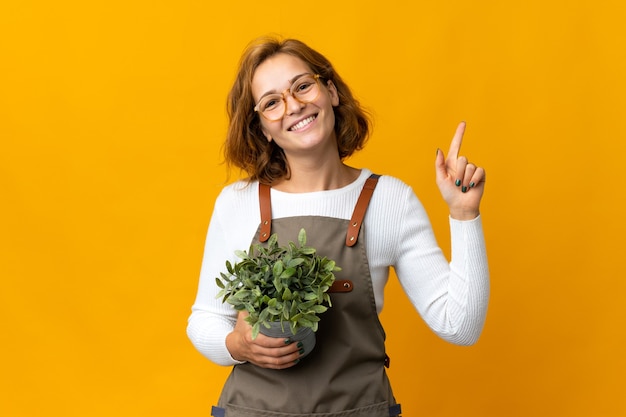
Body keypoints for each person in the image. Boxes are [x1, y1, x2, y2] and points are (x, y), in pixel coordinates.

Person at [187, 36, 490, 417]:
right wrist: (236, 345)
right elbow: (205, 320)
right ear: (262, 127)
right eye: (271, 103)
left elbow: (459, 326)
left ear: (330, 91)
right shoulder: (237, 202)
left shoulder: (389, 200)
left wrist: (463, 215)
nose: (294, 106)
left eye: (302, 86)